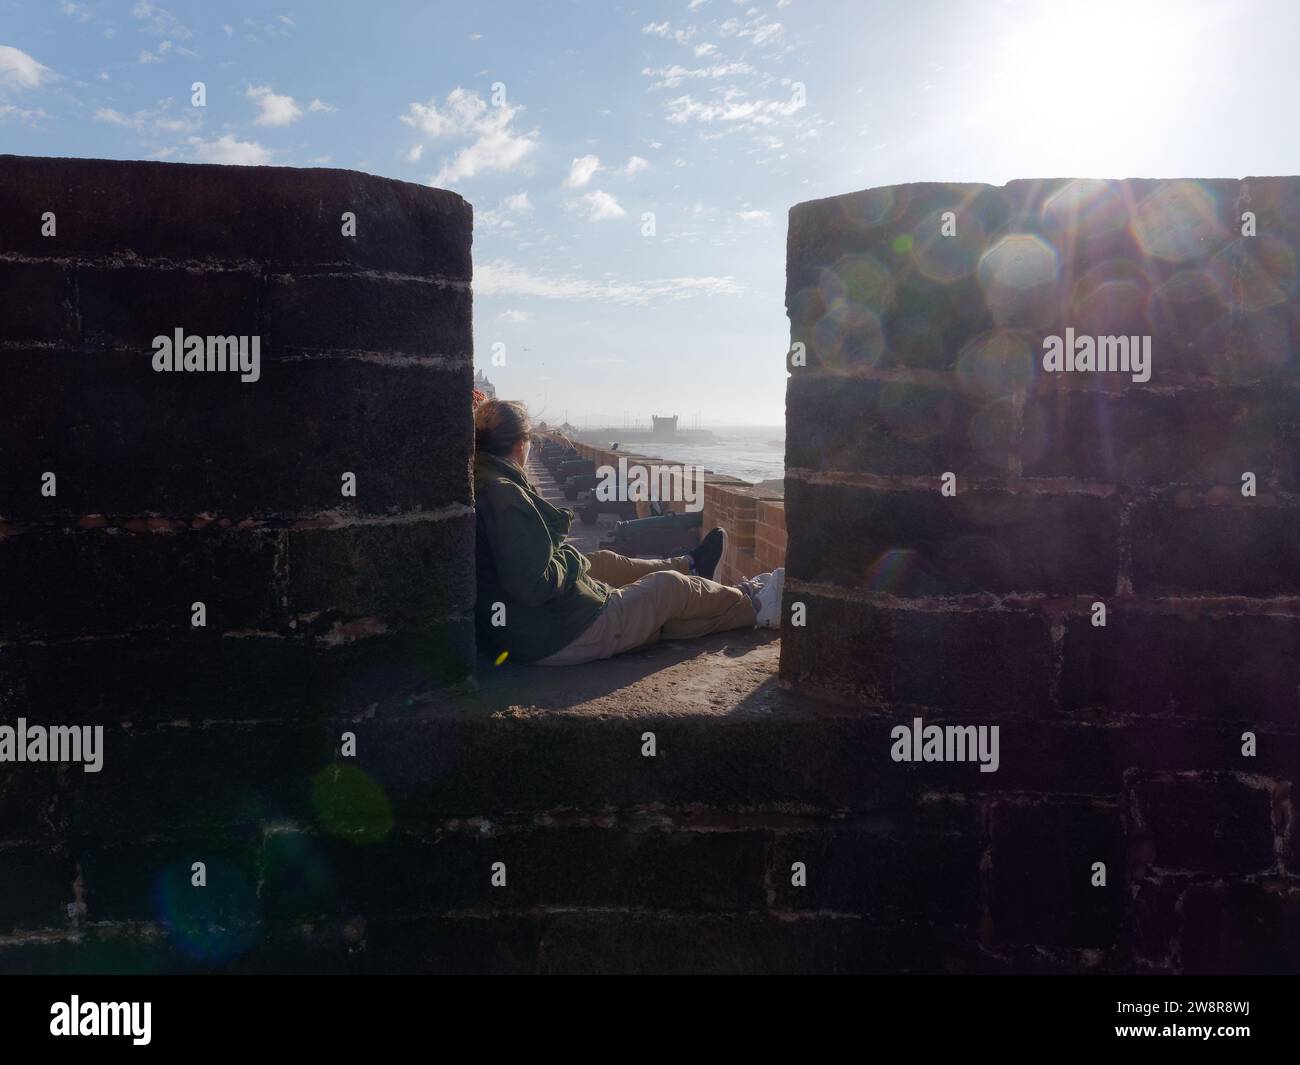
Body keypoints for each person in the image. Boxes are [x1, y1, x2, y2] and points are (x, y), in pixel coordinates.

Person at [473, 399, 785, 667]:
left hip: (530, 628)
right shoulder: (505, 496)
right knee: (668, 589)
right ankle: (755, 606)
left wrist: (570, 560)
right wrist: (570, 560)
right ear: (519, 445)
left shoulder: (486, 476)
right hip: (557, 634)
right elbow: (532, 584)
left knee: (606, 562)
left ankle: (690, 566)